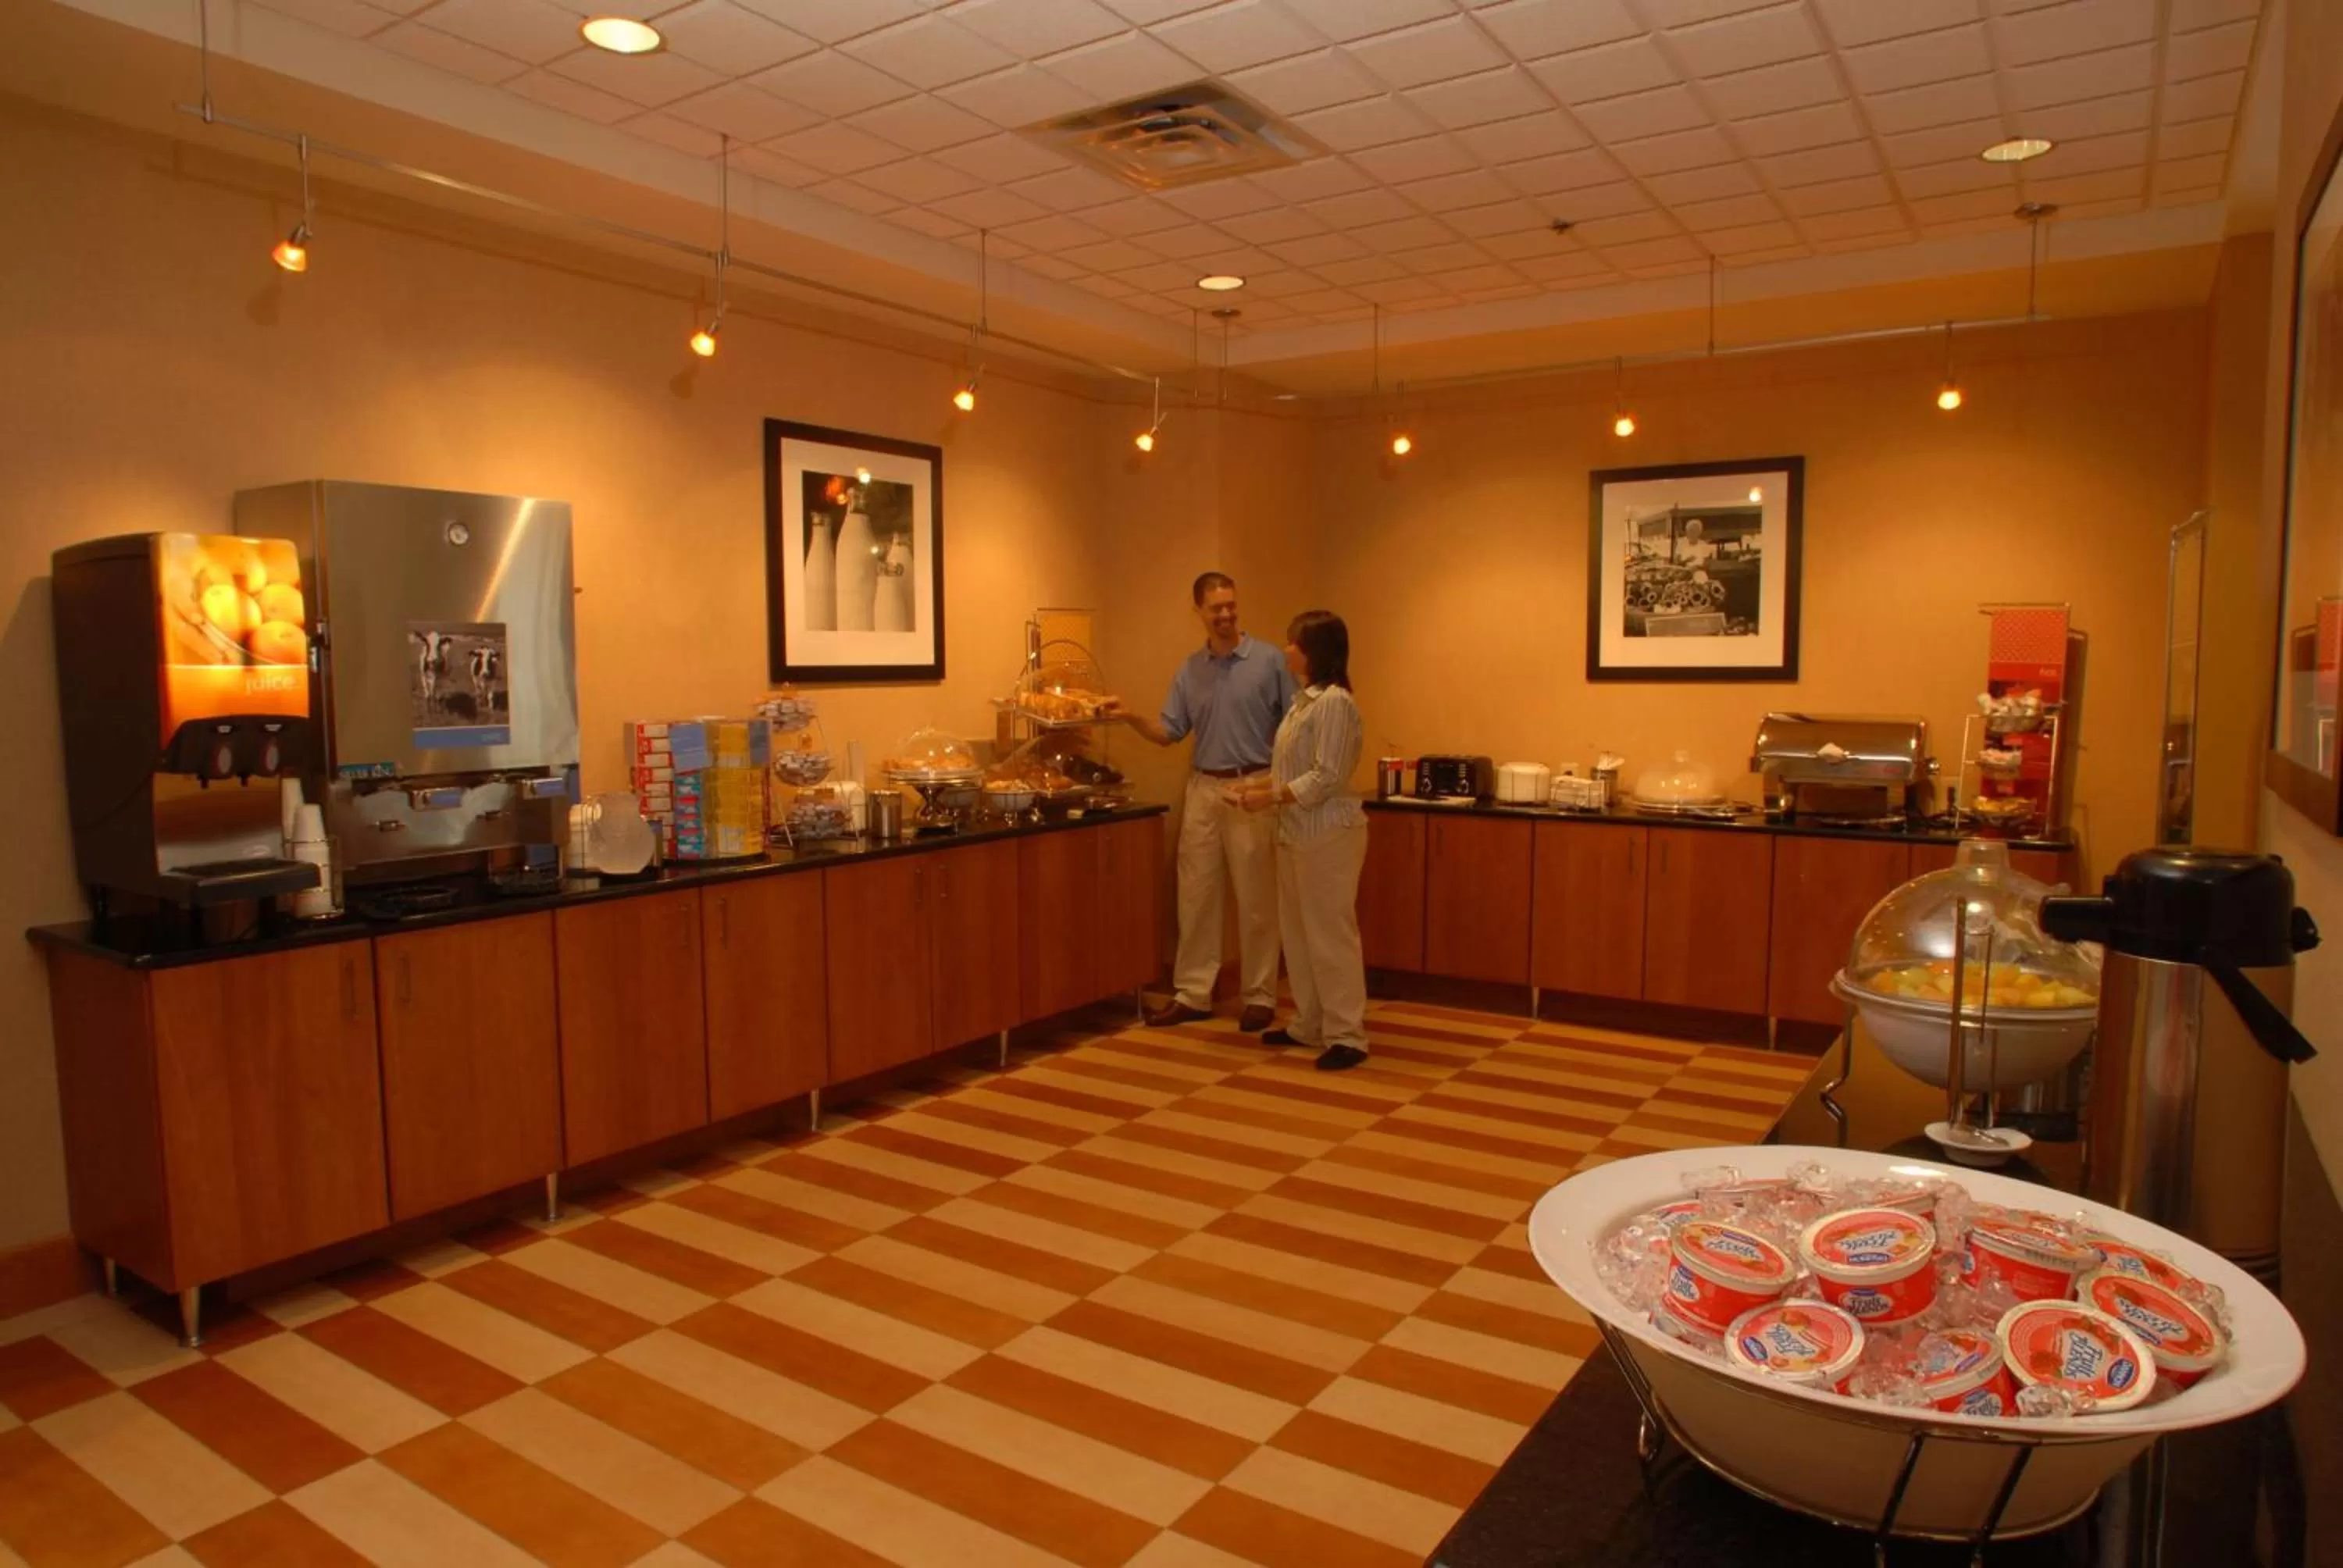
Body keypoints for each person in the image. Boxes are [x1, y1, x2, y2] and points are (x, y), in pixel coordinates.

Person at [1110, 572, 1296, 1032]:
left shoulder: (1270, 661)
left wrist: (1275, 785)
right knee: (1195, 895)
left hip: (1252, 787)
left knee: (1256, 898)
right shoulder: (1190, 670)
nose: (1226, 614)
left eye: (1231, 605)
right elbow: (1169, 732)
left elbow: (1296, 728)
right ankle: (1193, 994)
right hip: (1203, 789)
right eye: (1217, 608)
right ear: (1198, 611)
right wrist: (1131, 716)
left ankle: (1259, 995)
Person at [1233, 611, 1369, 1072]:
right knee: (1297, 932)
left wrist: (1270, 797)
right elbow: (1292, 771)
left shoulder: (1335, 703)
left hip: (1328, 834)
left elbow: (1326, 776)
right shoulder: (1302, 703)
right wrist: (1255, 790)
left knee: (1330, 934)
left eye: (1294, 643)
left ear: (1315, 651)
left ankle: (1347, 1034)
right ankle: (1310, 1022)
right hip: (1295, 832)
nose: (1286, 650)